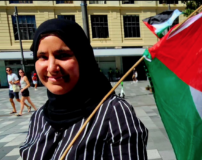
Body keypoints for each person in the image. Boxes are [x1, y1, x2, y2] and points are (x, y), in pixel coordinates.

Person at [19, 19, 148, 160]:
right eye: (42, 57)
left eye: (62, 56)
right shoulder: (39, 117)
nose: (51, 68)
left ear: (83, 58)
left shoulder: (113, 113)